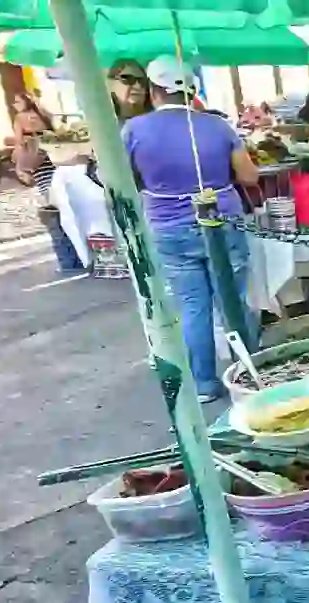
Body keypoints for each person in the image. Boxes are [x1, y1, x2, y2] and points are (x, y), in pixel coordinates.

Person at [123, 57, 259, 403]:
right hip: (223, 219)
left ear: (154, 91)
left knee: (193, 305)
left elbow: (118, 178)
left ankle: (204, 384)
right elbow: (249, 177)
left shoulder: (134, 130)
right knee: (231, 299)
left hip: (169, 227)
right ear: (192, 91)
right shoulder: (218, 126)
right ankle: (253, 373)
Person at [10, 92, 54, 188]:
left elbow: (19, 141)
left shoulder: (19, 118)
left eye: (17, 102)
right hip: (49, 151)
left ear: (26, 102)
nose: (14, 105)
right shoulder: (42, 114)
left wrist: (17, 161)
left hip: (33, 155)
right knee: (52, 181)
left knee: (44, 185)